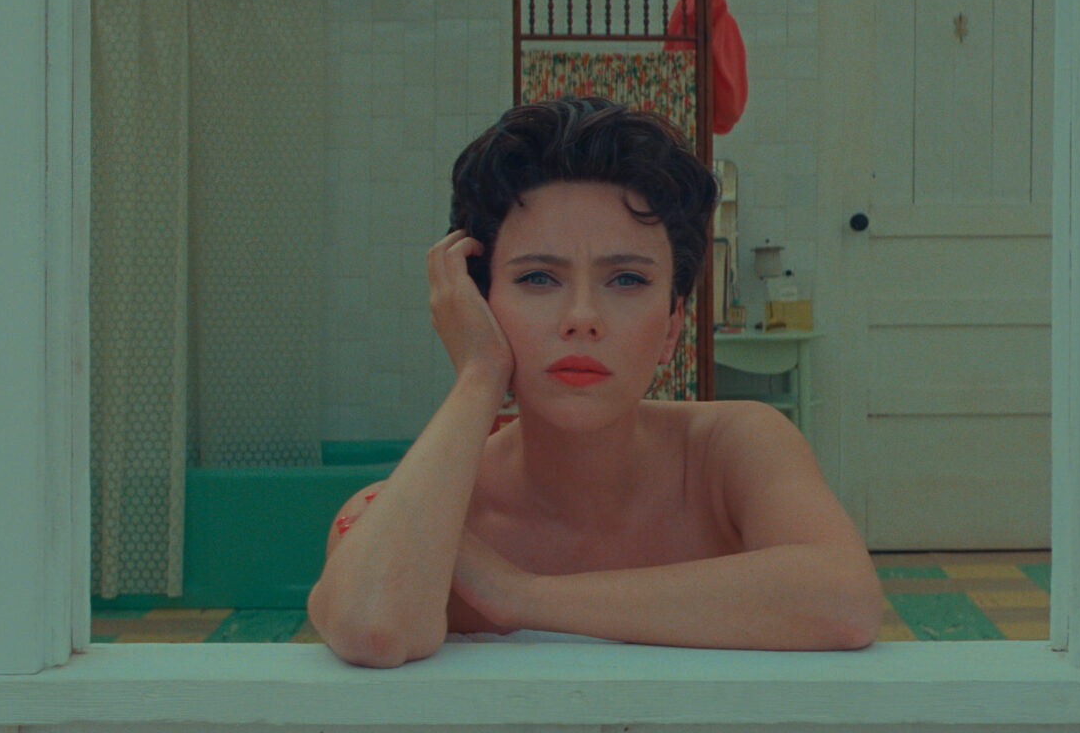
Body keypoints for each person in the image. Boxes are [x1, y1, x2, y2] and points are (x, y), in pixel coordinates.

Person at [307, 96, 882, 667]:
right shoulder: (429, 516)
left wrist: (519, 595)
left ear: (672, 326)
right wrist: (480, 373)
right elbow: (371, 625)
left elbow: (844, 600)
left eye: (626, 279)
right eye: (538, 277)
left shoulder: (732, 450)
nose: (582, 317)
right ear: (479, 306)